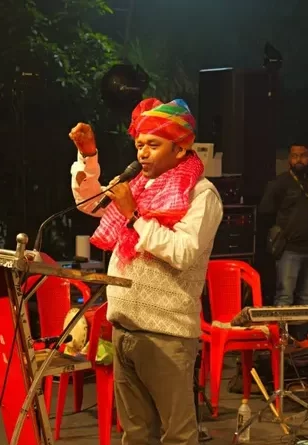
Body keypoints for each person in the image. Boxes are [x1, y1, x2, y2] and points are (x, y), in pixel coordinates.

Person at [68, 98, 223, 445]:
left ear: (180, 149)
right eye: (139, 145)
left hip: (166, 334)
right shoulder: (140, 186)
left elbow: (182, 252)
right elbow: (91, 203)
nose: (142, 153)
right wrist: (88, 156)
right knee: (136, 434)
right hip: (125, 328)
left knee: (177, 435)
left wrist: (133, 216)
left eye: (153, 145)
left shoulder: (201, 195)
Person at [259, 143, 308, 319]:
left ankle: (302, 335)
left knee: (306, 299)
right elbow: (265, 212)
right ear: (289, 159)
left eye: (303, 155)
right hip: (290, 249)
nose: (298, 160)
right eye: (294, 156)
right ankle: (282, 335)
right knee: (285, 297)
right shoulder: (281, 183)